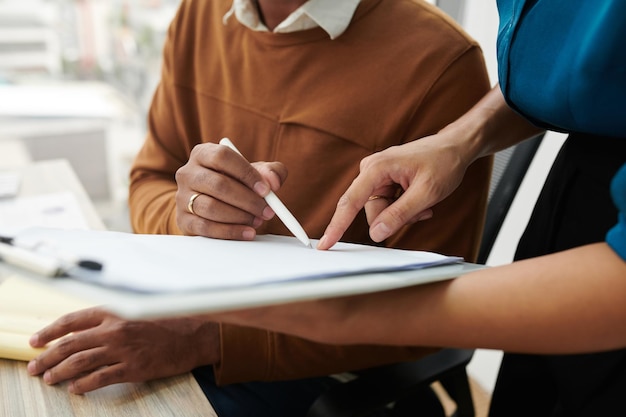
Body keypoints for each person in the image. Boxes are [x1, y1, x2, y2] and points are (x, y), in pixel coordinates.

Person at [26, 0, 493, 416]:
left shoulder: (440, 61)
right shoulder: (199, 14)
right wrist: (186, 214)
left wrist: (210, 335)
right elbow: (150, 176)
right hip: (179, 309)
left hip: (311, 358)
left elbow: (434, 304)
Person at [198, 1, 626, 416]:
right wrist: (458, 142)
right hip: (574, 209)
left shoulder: (436, 58)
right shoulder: (203, 19)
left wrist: (353, 314)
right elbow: (580, 68)